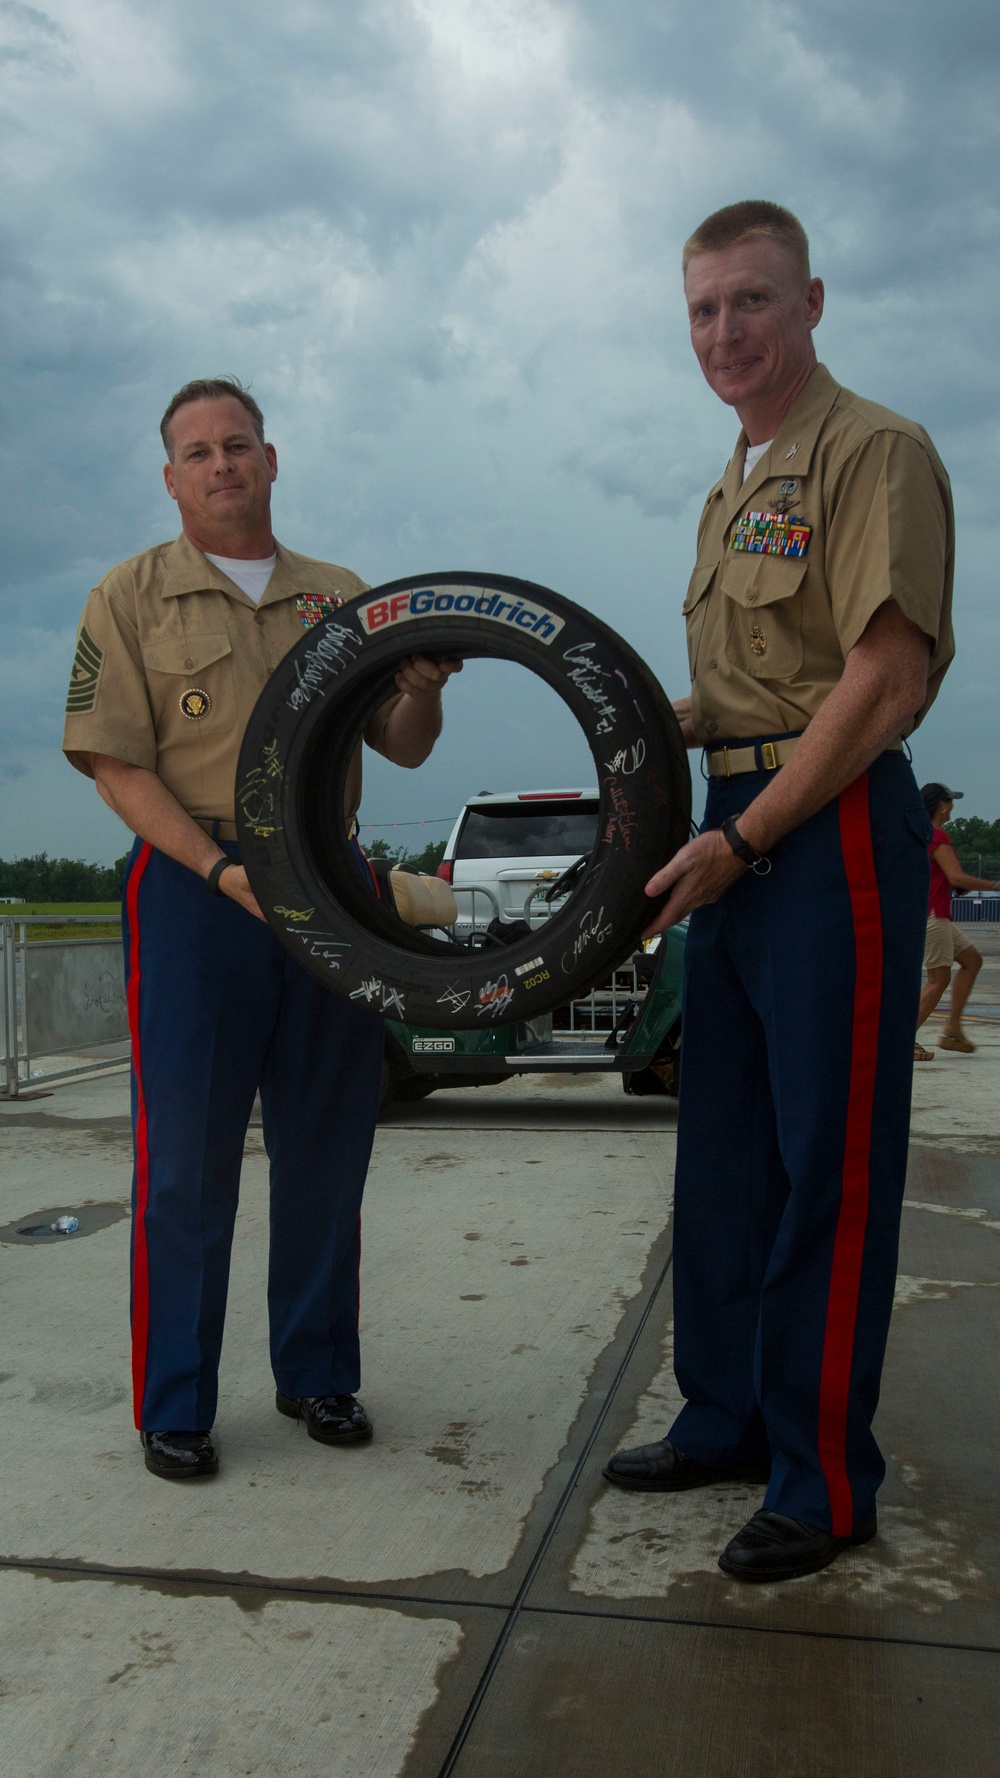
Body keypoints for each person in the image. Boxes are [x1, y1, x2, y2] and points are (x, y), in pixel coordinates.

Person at [602, 202, 955, 1582]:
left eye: (750, 302)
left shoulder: (872, 450)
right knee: (726, 1148)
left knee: (830, 1158)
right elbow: (753, 688)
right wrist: (647, 720)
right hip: (733, 821)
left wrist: (746, 841)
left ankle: (821, 1479)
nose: (725, 333)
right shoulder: (733, 474)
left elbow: (880, 679)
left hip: (823, 833)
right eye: (701, 310)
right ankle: (727, 1414)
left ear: (812, 301)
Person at [62, 377, 460, 1482]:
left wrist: (422, 684)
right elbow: (114, 762)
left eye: (238, 445)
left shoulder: (343, 597)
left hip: (326, 883)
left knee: (328, 1145)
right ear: (171, 476)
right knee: (187, 1162)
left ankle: (318, 1371)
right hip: (196, 887)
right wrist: (217, 866)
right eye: (198, 452)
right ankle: (176, 1403)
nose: (222, 465)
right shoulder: (127, 595)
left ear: (272, 460)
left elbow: (406, 745)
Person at [914, 782, 996, 1058]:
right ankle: (902, 1041)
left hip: (937, 915)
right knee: (938, 980)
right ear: (941, 805)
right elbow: (958, 878)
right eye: (950, 802)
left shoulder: (921, 836)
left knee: (972, 960)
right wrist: (995, 885)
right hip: (933, 915)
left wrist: (961, 883)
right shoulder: (937, 836)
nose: (952, 807)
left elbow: (953, 881)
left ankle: (952, 1029)